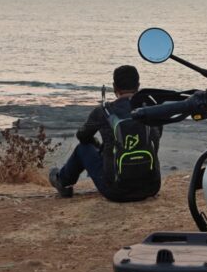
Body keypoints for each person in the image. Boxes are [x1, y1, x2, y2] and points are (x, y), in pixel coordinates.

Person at [49, 65, 162, 201]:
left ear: (114, 87)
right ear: (138, 85)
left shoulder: (105, 111)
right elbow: (156, 137)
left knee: (82, 149)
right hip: (151, 187)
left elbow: (82, 136)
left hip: (116, 190)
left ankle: (63, 182)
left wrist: (96, 144)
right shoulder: (151, 110)